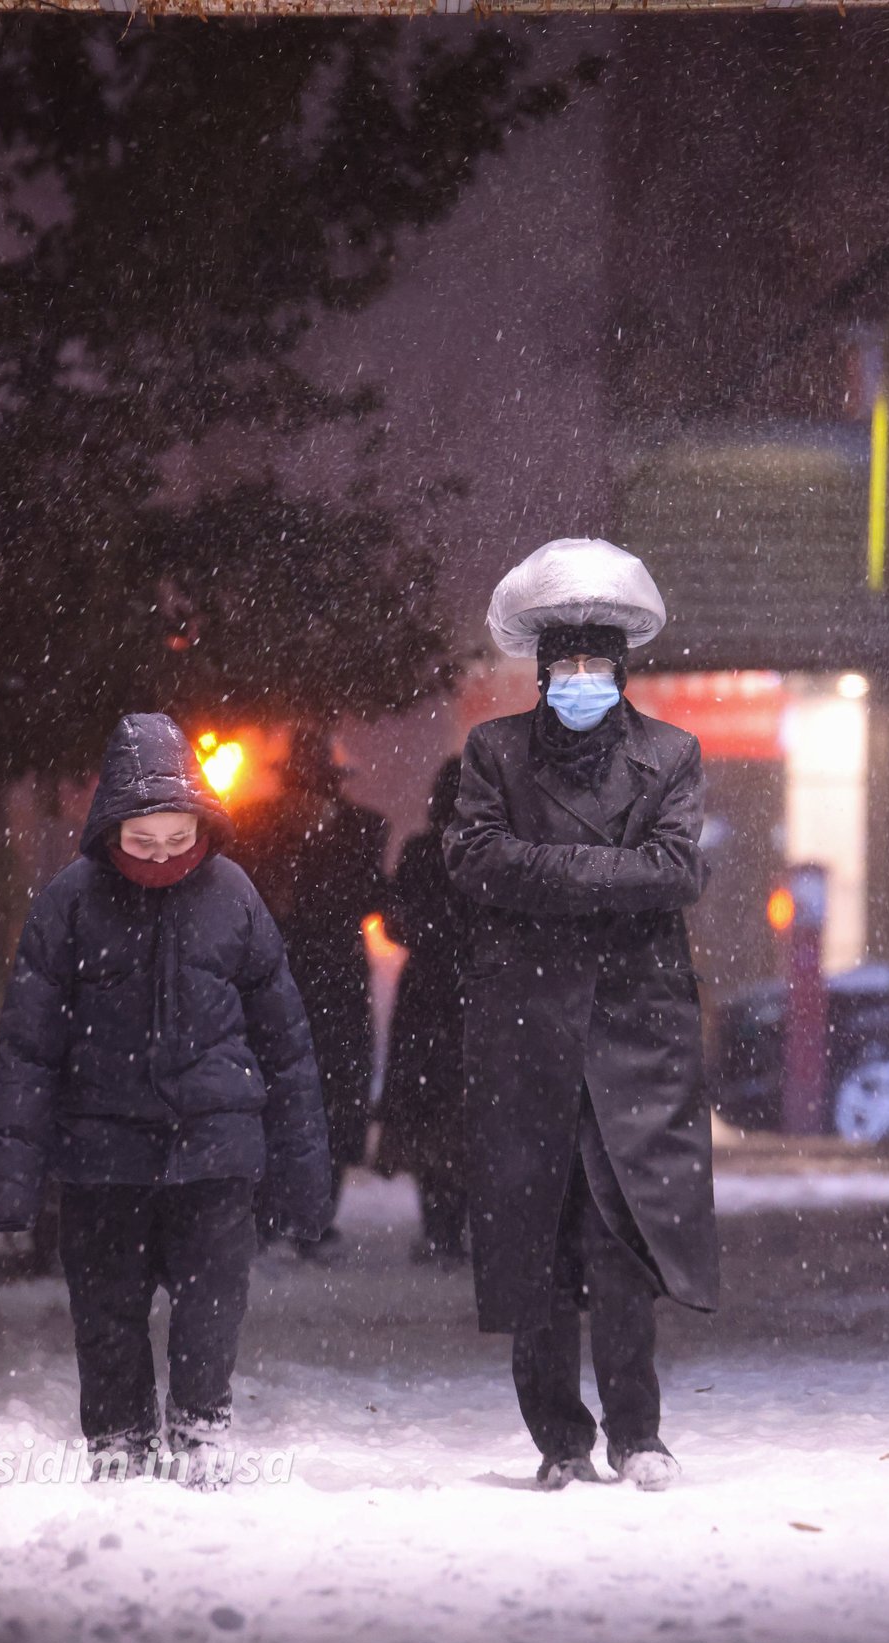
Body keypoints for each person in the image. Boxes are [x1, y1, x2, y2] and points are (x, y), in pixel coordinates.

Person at [0, 713, 331, 1488]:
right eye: (144, 843)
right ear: (113, 829)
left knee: (212, 1307)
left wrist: (307, 1180)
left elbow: (287, 1044)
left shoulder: (233, 896)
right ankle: (118, 1439)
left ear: (201, 824)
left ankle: (201, 1427)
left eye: (178, 840)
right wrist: (13, 1182)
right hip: (102, 1153)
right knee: (106, 1312)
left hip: (215, 1148)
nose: (163, 857)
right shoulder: (69, 905)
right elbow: (27, 1052)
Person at [443, 538, 718, 1493]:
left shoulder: (672, 755)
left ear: (623, 671)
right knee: (536, 1240)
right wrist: (613, 880)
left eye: (600, 665)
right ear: (542, 671)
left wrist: (547, 877)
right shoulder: (494, 752)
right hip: (525, 1031)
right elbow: (474, 861)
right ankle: (559, 1441)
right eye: (567, 665)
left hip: (637, 1035)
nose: (583, 681)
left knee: (625, 1241)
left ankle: (640, 1434)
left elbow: (679, 871)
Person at [234, 725, 386, 1254]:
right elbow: (370, 900)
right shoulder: (360, 829)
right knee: (322, 1097)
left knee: (300, 1096)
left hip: (295, 978)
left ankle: (284, 1214)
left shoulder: (257, 828)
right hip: (316, 978)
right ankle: (301, 1216)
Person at [376, 756, 469, 1264]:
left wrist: (426, 935)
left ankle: (439, 1229)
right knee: (469, 1115)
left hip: (426, 995)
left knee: (427, 1115)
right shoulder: (492, 853)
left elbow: (395, 923)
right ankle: (464, 1228)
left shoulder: (419, 852)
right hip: (474, 996)